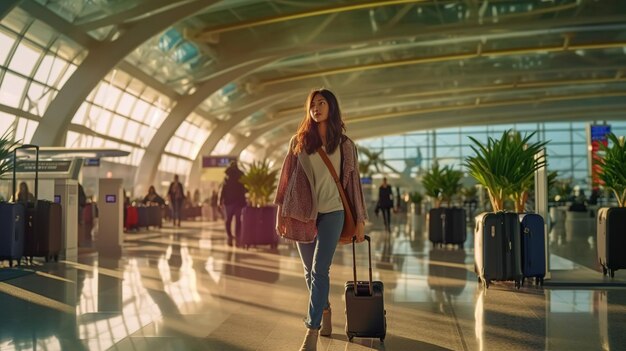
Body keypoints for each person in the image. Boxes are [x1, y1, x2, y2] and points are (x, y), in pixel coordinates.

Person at [274, 89, 367, 351]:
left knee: (319, 269)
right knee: (308, 271)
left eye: (322, 103)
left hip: (334, 212)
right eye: (312, 104)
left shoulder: (346, 145)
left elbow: (355, 186)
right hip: (303, 212)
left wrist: (359, 219)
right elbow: (285, 182)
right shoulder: (299, 141)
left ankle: (311, 331)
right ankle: (324, 308)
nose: (316, 108)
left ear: (332, 107)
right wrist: (280, 214)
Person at [219, 161, 247, 247]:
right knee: (238, 221)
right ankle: (237, 238)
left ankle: (230, 237)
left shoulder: (227, 177)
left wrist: (220, 200)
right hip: (239, 202)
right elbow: (245, 189)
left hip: (229, 202)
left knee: (228, 220)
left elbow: (223, 190)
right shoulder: (241, 176)